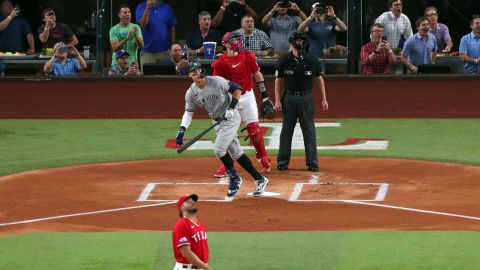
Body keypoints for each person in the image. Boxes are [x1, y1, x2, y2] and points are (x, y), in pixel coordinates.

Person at [175, 62, 269, 198]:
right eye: (193, 72)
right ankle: (260, 179)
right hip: (217, 121)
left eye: (199, 70)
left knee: (219, 150)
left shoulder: (217, 81)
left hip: (230, 118)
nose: (197, 74)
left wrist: (231, 108)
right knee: (236, 152)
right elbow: (189, 112)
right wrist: (182, 129)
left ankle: (234, 179)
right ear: (189, 75)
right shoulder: (191, 93)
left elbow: (237, 89)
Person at [211, 31, 272, 177]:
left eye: (238, 38)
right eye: (234, 39)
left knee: (254, 130)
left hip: (248, 96)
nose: (237, 41)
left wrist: (264, 96)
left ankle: (262, 157)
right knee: (229, 134)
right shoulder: (220, 63)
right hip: (230, 100)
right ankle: (227, 164)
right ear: (225, 44)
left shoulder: (248, 56)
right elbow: (216, 85)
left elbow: (257, 74)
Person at [274, 31, 328, 172]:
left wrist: (324, 98)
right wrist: (277, 100)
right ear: (291, 43)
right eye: (297, 41)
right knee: (286, 130)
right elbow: (278, 81)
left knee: (309, 130)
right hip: (289, 98)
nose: (300, 43)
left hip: (305, 98)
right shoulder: (284, 60)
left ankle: (312, 162)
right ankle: (282, 162)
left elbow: (319, 79)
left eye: (302, 41)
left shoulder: (312, 60)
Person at [172, 194, 212, 270]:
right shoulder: (182, 225)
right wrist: (207, 268)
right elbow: (186, 253)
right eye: (188, 201)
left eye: (193, 201)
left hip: (201, 267)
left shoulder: (200, 225)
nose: (192, 202)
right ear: (181, 207)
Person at [135, 0, 177, 68]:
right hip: (147, 53)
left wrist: (172, 46)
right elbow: (142, 25)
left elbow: (172, 28)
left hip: (165, 52)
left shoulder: (166, 8)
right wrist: (147, 8)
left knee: (167, 78)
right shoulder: (141, 7)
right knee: (147, 78)